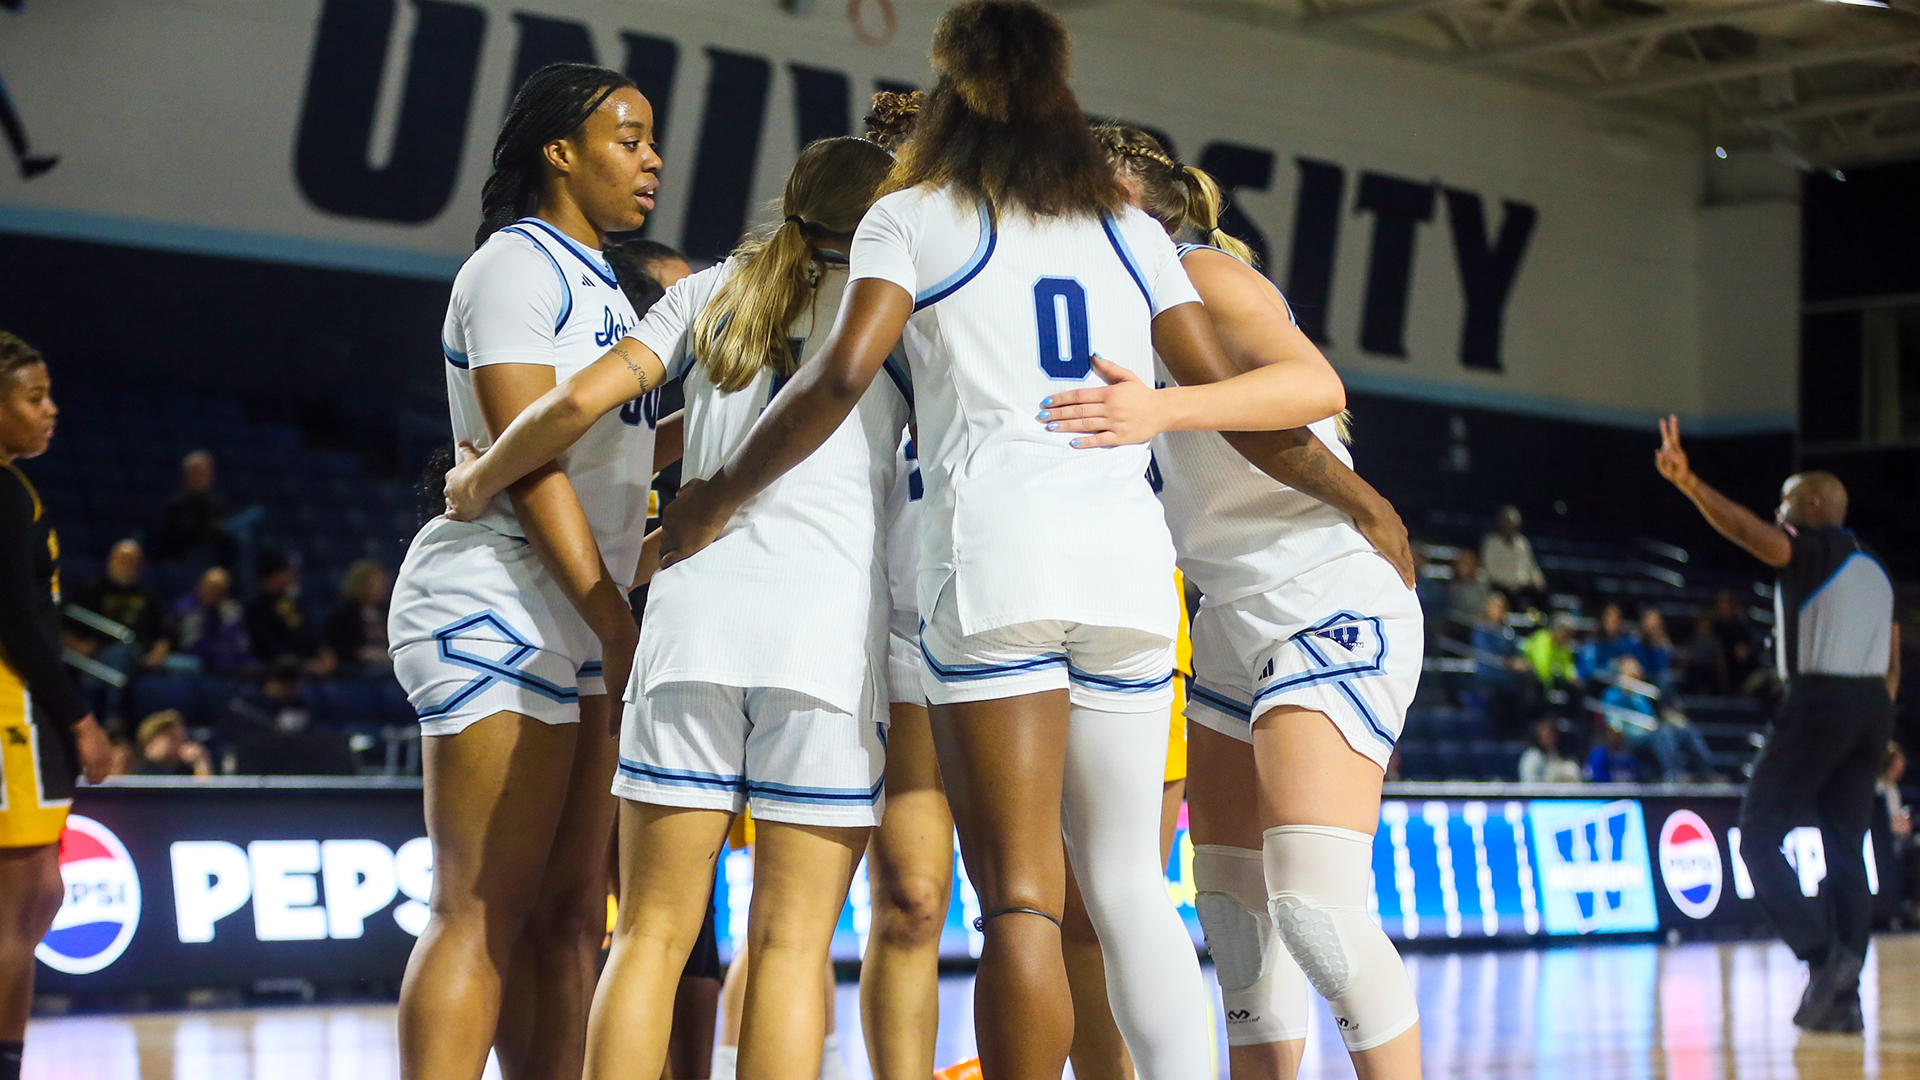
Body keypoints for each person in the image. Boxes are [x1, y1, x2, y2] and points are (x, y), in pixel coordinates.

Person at [659, 8, 1344, 1071]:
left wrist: (716, 495)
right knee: (1123, 887)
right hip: (1127, 576)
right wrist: (1356, 497)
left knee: (1021, 898)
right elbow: (1228, 392)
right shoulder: (1132, 232)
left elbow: (838, 379)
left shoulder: (913, 218)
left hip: (996, 569)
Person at [444, 136, 907, 1080]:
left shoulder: (707, 294)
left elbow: (575, 405)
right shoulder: (900, 313)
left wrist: (484, 474)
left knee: (649, 935)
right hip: (821, 643)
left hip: (689, 629)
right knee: (789, 945)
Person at [1092, 123, 1424, 1080]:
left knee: (1316, 907)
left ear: (1129, 204)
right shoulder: (1111, 307)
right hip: (1232, 613)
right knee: (1234, 918)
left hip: (1328, 594)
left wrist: (1160, 409)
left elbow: (1312, 384)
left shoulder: (1205, 275)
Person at [384, 62, 663, 1080]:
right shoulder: (514, 265)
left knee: (567, 917)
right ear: (560, 152)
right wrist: (615, 617)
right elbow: (529, 455)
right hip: (495, 594)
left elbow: (619, 453)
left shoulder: (605, 285)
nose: (653, 159)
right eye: (628, 138)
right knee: (480, 908)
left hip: (578, 609)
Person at [1657, 416, 1899, 1033]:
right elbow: (1892, 657)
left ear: (1815, 505)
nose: (1778, 512)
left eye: (1787, 503)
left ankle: (1821, 960)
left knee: (1758, 833)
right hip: (1874, 705)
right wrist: (1875, 721)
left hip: (1820, 700)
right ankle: (1843, 1001)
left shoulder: (1816, 549)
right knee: (1848, 846)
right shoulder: (1876, 569)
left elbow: (1747, 531)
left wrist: (1690, 485)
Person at [0, 331, 112, 1080]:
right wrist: (80, 717)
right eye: (33, 397)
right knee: (19, 904)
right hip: (12, 706)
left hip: (23, 707)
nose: (52, 409)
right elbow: (14, 618)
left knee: (37, 898)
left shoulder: (16, 485)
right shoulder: (1, 490)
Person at [245, 548, 334, 675]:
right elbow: (269, 647)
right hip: (278, 674)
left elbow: (308, 633)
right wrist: (302, 664)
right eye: (286, 573)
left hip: (308, 668)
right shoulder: (256, 608)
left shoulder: (293, 604)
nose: (291, 578)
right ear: (272, 576)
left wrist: (323, 651)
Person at [151, 449, 237, 565]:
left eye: (205, 472)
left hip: (215, 565)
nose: (201, 477)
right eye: (196, 472)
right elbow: (165, 543)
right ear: (185, 475)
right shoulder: (173, 507)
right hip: (181, 565)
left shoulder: (219, 505)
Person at [167, 566, 252, 674]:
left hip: (228, 664)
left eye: (220, 590)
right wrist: (223, 652)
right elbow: (191, 645)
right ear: (201, 587)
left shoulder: (232, 609)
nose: (214, 593)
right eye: (211, 587)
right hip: (197, 664)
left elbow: (240, 643)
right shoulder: (186, 607)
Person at [324, 559, 392, 670]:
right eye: (379, 583)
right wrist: (363, 653)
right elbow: (340, 648)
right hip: (359, 671)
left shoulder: (386, 613)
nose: (384, 588)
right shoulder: (344, 616)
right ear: (362, 585)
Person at [1480, 505, 1545, 612]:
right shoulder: (1491, 542)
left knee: (1541, 594)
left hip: (1521, 587)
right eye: (1507, 522)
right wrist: (1509, 583)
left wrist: (1539, 582)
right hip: (1499, 585)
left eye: (1513, 523)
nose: (1510, 526)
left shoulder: (1522, 543)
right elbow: (1490, 569)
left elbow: (1531, 566)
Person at [1522, 613, 1581, 716]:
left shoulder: (1564, 645)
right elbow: (1541, 667)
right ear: (1559, 631)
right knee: (1538, 688)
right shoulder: (1543, 639)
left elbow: (1567, 664)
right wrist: (1549, 689)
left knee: (1577, 689)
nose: (1569, 639)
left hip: (1552, 677)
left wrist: (1572, 677)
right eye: (1567, 634)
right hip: (1535, 677)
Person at [131, 709, 213, 777]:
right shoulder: (141, 776)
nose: (180, 744)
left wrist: (200, 763)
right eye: (173, 738)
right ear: (150, 743)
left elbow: (205, 794)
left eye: (182, 738)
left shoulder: (185, 772)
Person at [1578, 603, 1637, 684]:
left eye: (1615, 621)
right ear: (1602, 620)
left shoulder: (1622, 643)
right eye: (1609, 619)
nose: (1612, 624)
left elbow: (1628, 662)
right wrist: (1614, 668)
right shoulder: (1592, 643)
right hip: (1595, 685)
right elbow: (1590, 671)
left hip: (1618, 684)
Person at [1517, 718, 1579, 783]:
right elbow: (1529, 782)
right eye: (1546, 735)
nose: (1550, 738)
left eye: (1552, 735)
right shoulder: (1532, 757)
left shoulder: (1553, 753)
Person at [1634, 608, 1678, 697]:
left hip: (1657, 679)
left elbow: (1665, 665)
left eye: (1654, 622)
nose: (1651, 625)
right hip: (1640, 676)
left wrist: (1657, 643)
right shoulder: (1635, 639)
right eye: (1649, 621)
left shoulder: (1663, 643)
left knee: (1665, 679)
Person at [1445, 549, 1490, 631]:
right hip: (1459, 626)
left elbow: (1486, 605)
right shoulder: (1451, 587)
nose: (1465, 567)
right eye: (1462, 563)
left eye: (1469, 564)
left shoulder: (1482, 585)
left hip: (1481, 625)